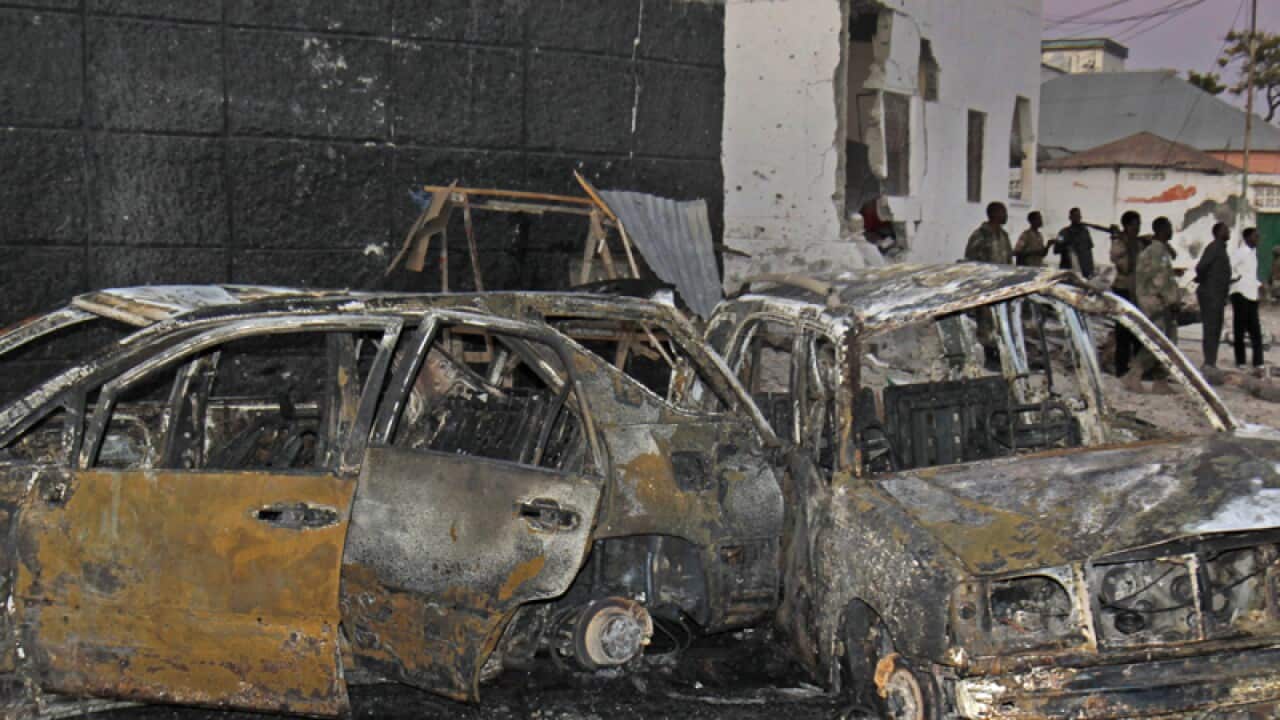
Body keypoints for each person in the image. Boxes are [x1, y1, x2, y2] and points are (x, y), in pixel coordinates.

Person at [1127, 217, 1180, 394]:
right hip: (1156, 304)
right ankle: (1134, 374)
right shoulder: (1157, 252)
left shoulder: (1157, 250)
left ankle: (1161, 381)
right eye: (1169, 227)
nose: (1172, 230)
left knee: (1168, 343)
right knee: (1156, 342)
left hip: (1153, 302)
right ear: (1162, 229)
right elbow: (1160, 281)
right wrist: (1172, 301)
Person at [1108, 210, 1146, 376]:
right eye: (1135, 224)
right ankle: (1121, 368)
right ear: (1128, 225)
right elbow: (1125, 267)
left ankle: (1138, 367)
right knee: (1123, 331)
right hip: (1123, 289)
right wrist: (1128, 243)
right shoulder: (1119, 244)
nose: (1138, 228)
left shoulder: (1136, 243)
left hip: (1136, 289)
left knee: (1138, 330)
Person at [1195, 222, 1232, 370]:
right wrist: (1208, 283)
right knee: (1211, 328)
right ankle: (1208, 363)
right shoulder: (1214, 247)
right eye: (1225, 230)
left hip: (1217, 295)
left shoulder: (1221, 248)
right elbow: (1201, 267)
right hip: (1211, 295)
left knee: (1215, 328)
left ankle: (1211, 362)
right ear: (1217, 233)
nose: (1228, 232)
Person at [1231, 227, 1264, 370]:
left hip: (1252, 294)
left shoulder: (1253, 254)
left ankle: (1258, 362)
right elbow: (1230, 267)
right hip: (1240, 293)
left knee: (1255, 329)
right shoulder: (1240, 253)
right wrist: (1236, 277)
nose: (1258, 239)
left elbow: (1251, 274)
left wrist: (1259, 285)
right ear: (1247, 238)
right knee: (1240, 329)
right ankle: (1241, 361)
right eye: (1255, 236)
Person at [1054, 208, 1095, 278]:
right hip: (1069, 269)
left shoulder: (1085, 231)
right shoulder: (1063, 232)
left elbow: (1089, 250)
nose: (1077, 218)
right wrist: (1067, 245)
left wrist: (1091, 269)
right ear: (1070, 218)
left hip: (1085, 270)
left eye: (1079, 216)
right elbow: (1056, 249)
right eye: (1075, 216)